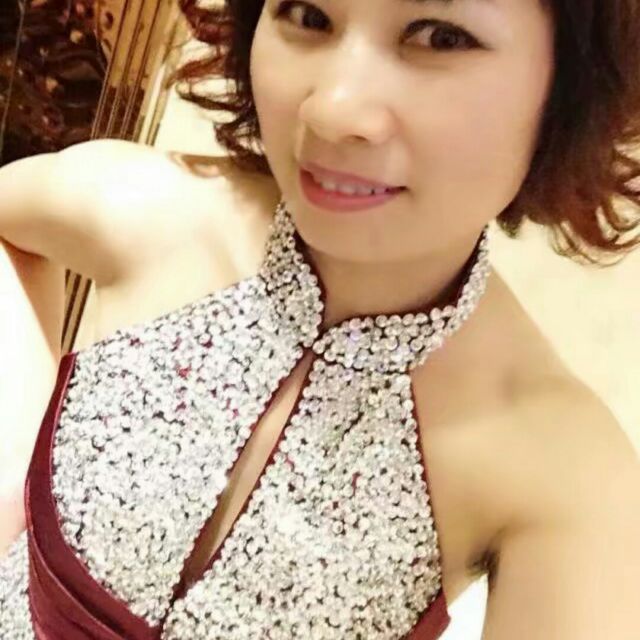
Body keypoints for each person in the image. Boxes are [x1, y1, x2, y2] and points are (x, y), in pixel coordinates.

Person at [1, 0, 640, 638]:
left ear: (570, 87)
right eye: (308, 16)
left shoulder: (565, 475)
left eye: (441, 37)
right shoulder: (147, 211)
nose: (331, 109)